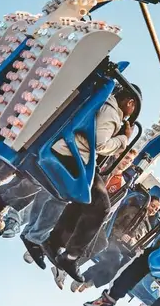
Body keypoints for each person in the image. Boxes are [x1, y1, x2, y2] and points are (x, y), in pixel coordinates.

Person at [41, 84, 140, 280]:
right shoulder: (112, 112)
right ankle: (70, 257)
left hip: (70, 152)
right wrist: (123, 139)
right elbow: (100, 143)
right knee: (102, 207)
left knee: (83, 201)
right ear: (130, 103)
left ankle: (54, 242)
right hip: (75, 156)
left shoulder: (105, 104)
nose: (129, 116)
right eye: (132, 111)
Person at [82, 186, 160, 290]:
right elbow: (113, 223)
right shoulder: (132, 210)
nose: (153, 210)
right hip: (113, 240)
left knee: (123, 268)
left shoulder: (147, 227)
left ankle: (92, 282)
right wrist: (121, 235)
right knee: (115, 259)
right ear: (148, 203)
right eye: (152, 206)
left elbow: (140, 244)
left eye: (156, 209)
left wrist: (137, 248)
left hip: (127, 250)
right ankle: (85, 277)